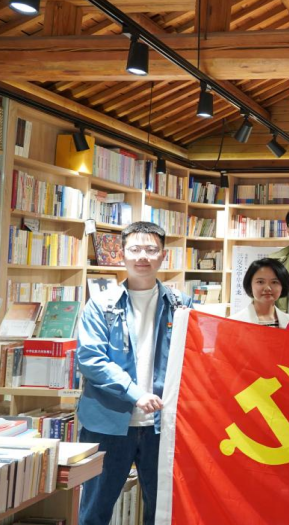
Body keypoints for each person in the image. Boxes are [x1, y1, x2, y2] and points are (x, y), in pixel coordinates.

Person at [76, 221, 193, 525]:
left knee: (164, 511)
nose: (143, 256)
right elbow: (90, 358)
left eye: (151, 249)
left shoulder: (181, 304)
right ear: (122, 255)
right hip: (107, 423)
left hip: (163, 426)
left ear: (163, 255)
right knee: (95, 510)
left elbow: (196, 358)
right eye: (135, 249)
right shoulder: (100, 304)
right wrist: (135, 393)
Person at [229, 258, 289, 327]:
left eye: (274, 282)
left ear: (283, 286)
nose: (267, 288)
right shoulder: (232, 323)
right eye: (260, 282)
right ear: (250, 285)